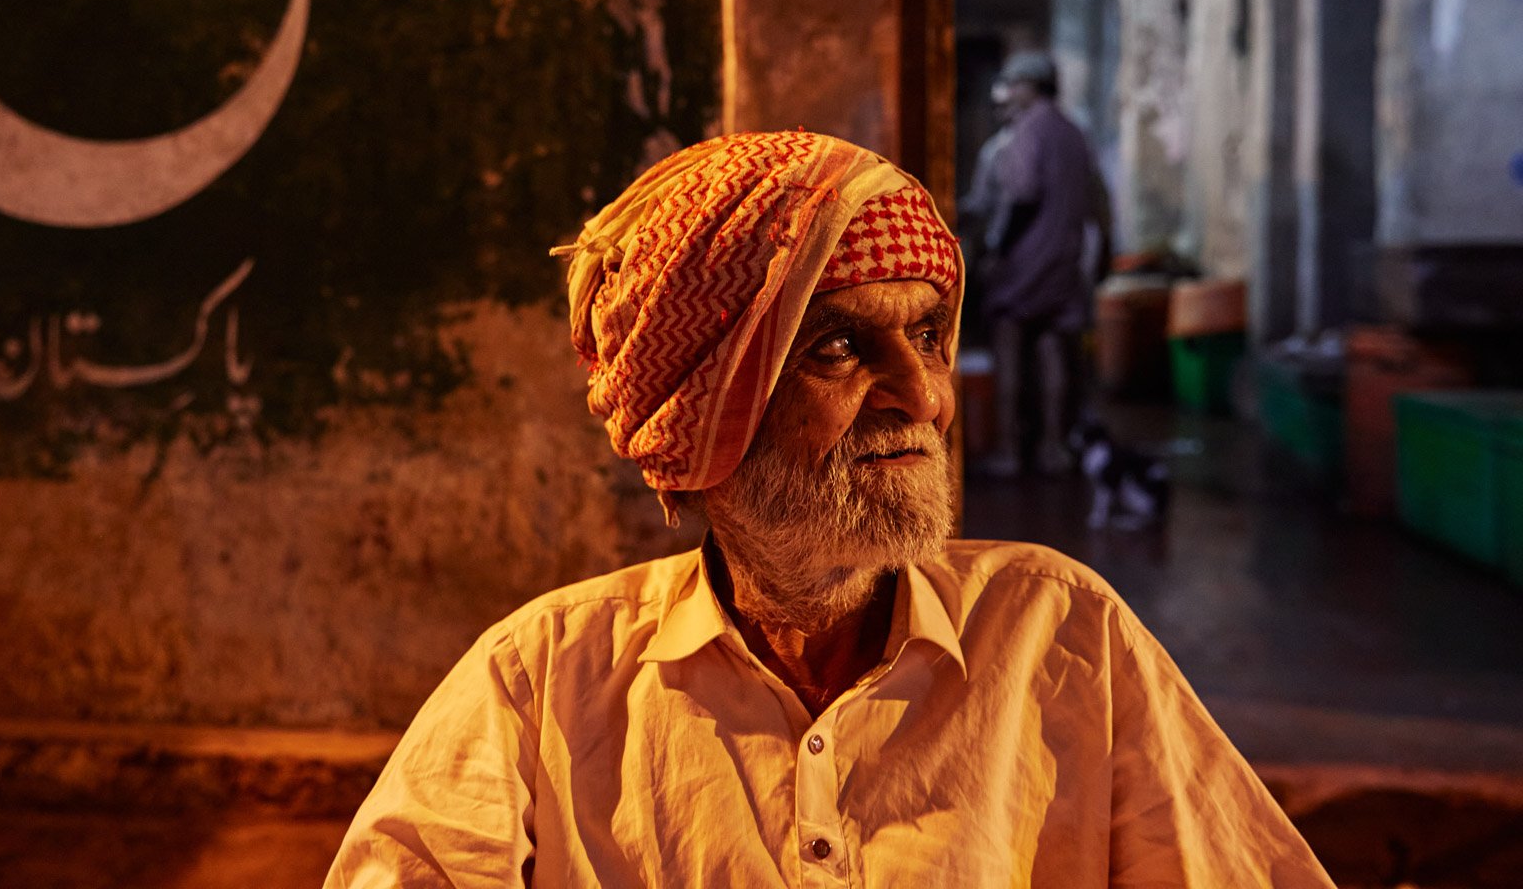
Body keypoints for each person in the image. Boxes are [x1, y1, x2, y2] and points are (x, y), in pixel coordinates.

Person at [325, 132, 1332, 887]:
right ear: (704, 413)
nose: (925, 394)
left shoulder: (1061, 634)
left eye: (929, 333)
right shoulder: (542, 680)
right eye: (841, 347)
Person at [982, 51, 1111, 477]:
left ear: (1028, 86)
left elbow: (1022, 194)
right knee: (1054, 347)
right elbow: (1097, 199)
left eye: (1013, 84)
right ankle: (1054, 447)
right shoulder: (1075, 133)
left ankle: (1010, 450)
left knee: (1009, 344)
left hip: (1026, 260)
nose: (1009, 93)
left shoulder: (1028, 130)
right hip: (1066, 260)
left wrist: (997, 248)